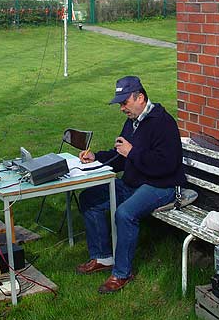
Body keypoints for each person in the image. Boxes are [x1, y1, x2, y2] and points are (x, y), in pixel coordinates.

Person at [76, 75, 186, 294]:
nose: (121, 108)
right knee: (89, 198)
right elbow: (121, 155)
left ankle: (121, 273)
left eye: (124, 102)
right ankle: (103, 257)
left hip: (161, 186)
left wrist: (133, 152)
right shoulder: (132, 122)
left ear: (140, 98)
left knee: (125, 213)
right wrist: (96, 156)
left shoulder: (163, 123)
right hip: (133, 183)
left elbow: (166, 165)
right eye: (120, 104)